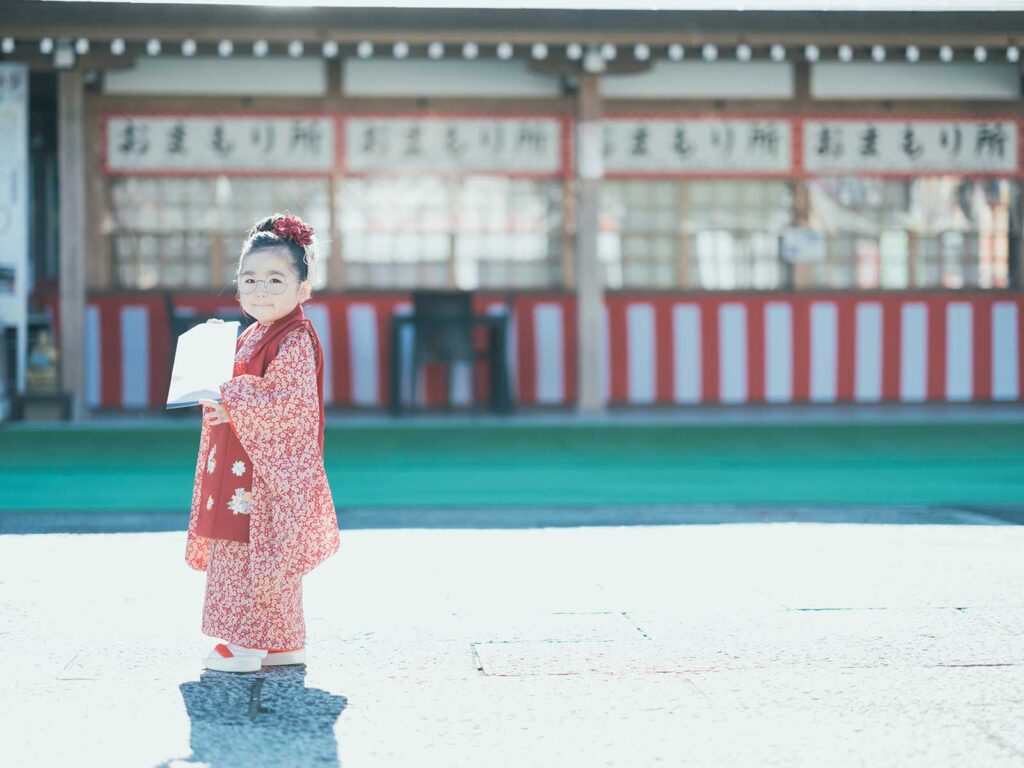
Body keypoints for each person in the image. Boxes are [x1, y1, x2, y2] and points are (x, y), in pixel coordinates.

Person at [184, 212, 340, 673]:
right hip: (243, 462)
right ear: (237, 287)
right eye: (250, 279)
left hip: (265, 472)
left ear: (304, 289)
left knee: (259, 552)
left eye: (276, 279)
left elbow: (288, 401)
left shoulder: (294, 338)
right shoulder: (253, 334)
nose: (261, 290)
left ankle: (247, 642)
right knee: (247, 549)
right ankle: (281, 643)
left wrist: (232, 398)